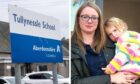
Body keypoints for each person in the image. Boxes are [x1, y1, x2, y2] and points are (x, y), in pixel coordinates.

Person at [71, 1, 137, 84]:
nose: (90, 21)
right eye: (85, 17)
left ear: (99, 21)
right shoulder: (71, 48)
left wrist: (136, 74)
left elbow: (135, 56)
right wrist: (110, 78)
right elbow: (73, 81)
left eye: (94, 17)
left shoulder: (112, 40)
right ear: (78, 19)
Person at [104, 17, 140, 83]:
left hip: (132, 70)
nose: (114, 35)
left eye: (115, 30)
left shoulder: (127, 37)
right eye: (110, 34)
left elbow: (124, 55)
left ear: (122, 26)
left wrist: (110, 68)